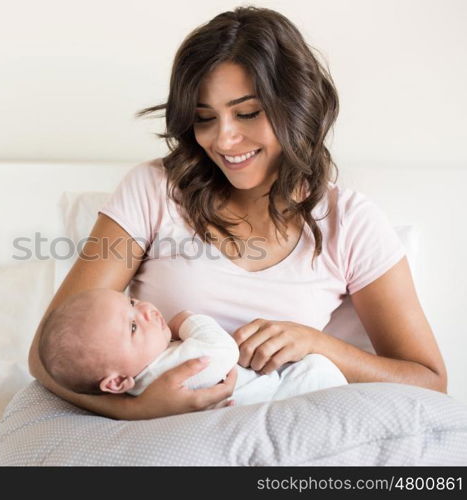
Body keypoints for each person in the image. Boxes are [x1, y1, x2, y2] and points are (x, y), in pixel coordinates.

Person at [28, 6, 447, 420]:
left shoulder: (350, 223)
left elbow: (429, 381)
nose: (224, 139)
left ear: (296, 105)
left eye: (247, 113)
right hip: (164, 437)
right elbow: (45, 359)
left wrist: (318, 345)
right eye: (204, 118)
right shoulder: (153, 190)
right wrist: (137, 410)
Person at [38, 288, 348, 406]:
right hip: (287, 395)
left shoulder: (143, 383)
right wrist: (187, 321)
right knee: (317, 369)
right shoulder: (166, 371)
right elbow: (222, 352)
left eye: (132, 301)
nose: (146, 309)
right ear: (117, 381)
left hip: (273, 395)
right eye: (133, 326)